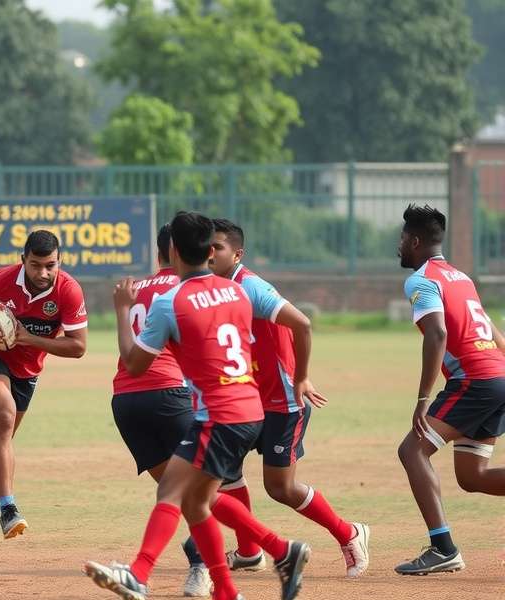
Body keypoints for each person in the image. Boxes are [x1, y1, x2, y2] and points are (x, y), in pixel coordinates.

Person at [85, 211, 310, 600]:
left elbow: (134, 364)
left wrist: (122, 310)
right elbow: (296, 324)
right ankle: (239, 580)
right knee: (198, 503)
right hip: (249, 409)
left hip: (217, 415)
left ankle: (139, 574)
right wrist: (301, 376)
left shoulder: (171, 302)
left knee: (172, 492)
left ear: (172, 250)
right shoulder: (239, 291)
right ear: (210, 251)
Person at [209, 218, 370, 577]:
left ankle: (349, 532)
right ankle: (249, 552)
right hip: (244, 402)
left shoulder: (251, 287)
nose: (210, 253)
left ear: (237, 254)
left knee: (280, 488)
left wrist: (301, 377)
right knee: (225, 474)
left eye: (217, 247)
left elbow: (302, 324)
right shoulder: (215, 289)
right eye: (207, 247)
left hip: (282, 401)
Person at [0, 230, 88, 539]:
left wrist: (28, 338)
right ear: (23, 260)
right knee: (5, 413)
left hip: (27, 368)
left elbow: (78, 346)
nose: (43, 273)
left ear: (60, 261)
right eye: (35, 265)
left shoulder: (69, 291)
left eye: (50, 265)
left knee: (3, 431)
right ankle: (8, 509)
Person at [396, 204, 505, 575]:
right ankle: (443, 547)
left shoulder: (421, 280)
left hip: (475, 381)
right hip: (496, 377)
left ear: (414, 241)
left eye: (402, 239)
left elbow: (438, 333)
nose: (399, 246)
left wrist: (422, 399)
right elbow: (491, 330)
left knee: (412, 450)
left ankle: (443, 548)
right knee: (472, 476)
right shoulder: (461, 278)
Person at [111, 224, 212, 597]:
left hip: (126, 402)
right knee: (201, 493)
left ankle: (146, 572)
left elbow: (131, 353)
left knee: (177, 494)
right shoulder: (187, 289)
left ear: (158, 254)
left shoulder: (134, 289)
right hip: (173, 396)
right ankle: (208, 563)